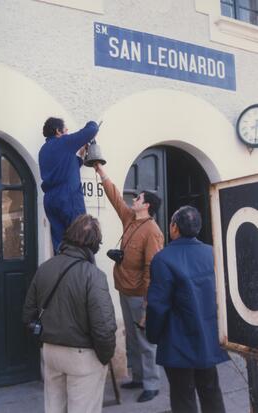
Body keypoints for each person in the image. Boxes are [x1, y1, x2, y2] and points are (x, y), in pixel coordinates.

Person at [23, 214, 117, 413]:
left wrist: (45, 342)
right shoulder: (93, 275)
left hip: (51, 351)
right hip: (82, 356)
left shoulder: (45, 268)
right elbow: (104, 327)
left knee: (54, 408)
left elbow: (28, 315)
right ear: (94, 244)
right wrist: (105, 357)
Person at [146, 206, 229, 413]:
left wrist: (152, 335)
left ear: (174, 227)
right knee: (211, 391)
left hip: (177, 341)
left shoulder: (163, 259)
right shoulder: (212, 253)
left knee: (183, 398)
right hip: (208, 337)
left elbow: (157, 306)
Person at [94, 163, 164, 403]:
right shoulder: (130, 219)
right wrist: (101, 172)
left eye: (139, 198)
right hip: (124, 288)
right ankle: (138, 377)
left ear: (147, 206)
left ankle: (152, 384)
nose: (134, 199)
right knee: (133, 338)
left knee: (144, 341)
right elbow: (114, 197)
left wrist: (147, 300)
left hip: (139, 294)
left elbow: (151, 268)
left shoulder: (152, 231)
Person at [39, 117, 99, 253]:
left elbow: (65, 167)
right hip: (68, 196)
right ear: (58, 131)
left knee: (60, 244)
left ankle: (62, 272)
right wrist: (93, 120)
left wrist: (81, 157)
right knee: (82, 238)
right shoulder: (64, 142)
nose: (67, 131)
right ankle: (83, 272)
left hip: (50, 200)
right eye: (65, 129)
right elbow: (92, 129)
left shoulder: (43, 150)